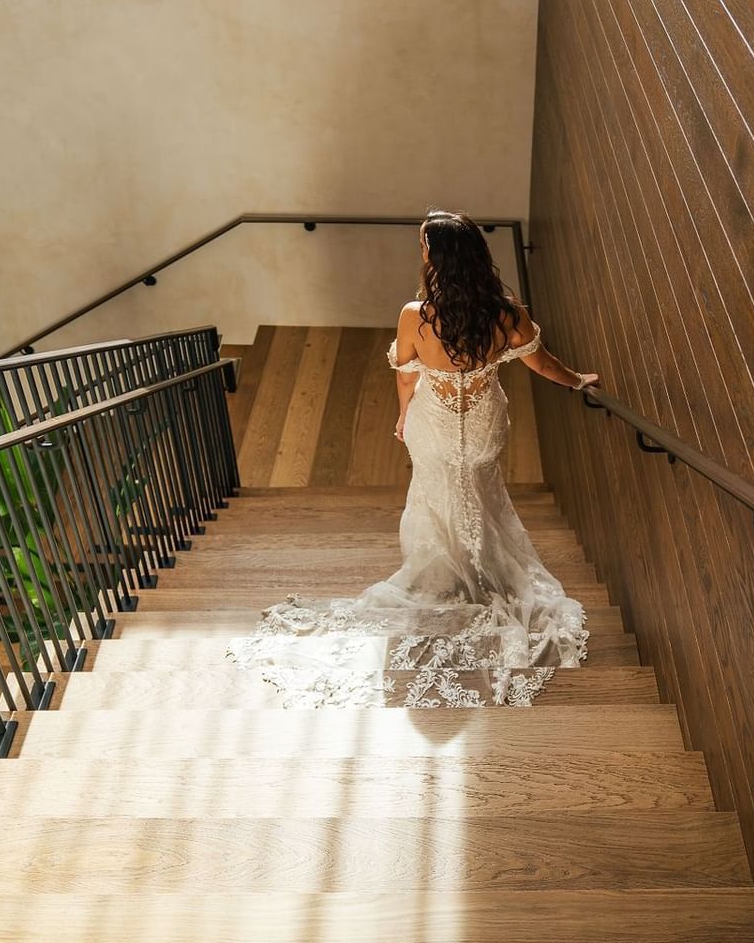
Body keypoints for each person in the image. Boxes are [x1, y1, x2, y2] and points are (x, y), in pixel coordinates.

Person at [227, 209, 600, 707]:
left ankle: (447, 571)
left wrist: (405, 416)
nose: (421, 252)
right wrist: (578, 381)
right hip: (484, 423)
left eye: (424, 245)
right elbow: (542, 363)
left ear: (436, 258)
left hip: (436, 424)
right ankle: (484, 567)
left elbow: (406, 375)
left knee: (436, 492)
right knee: (482, 490)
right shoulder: (507, 312)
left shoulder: (416, 316)